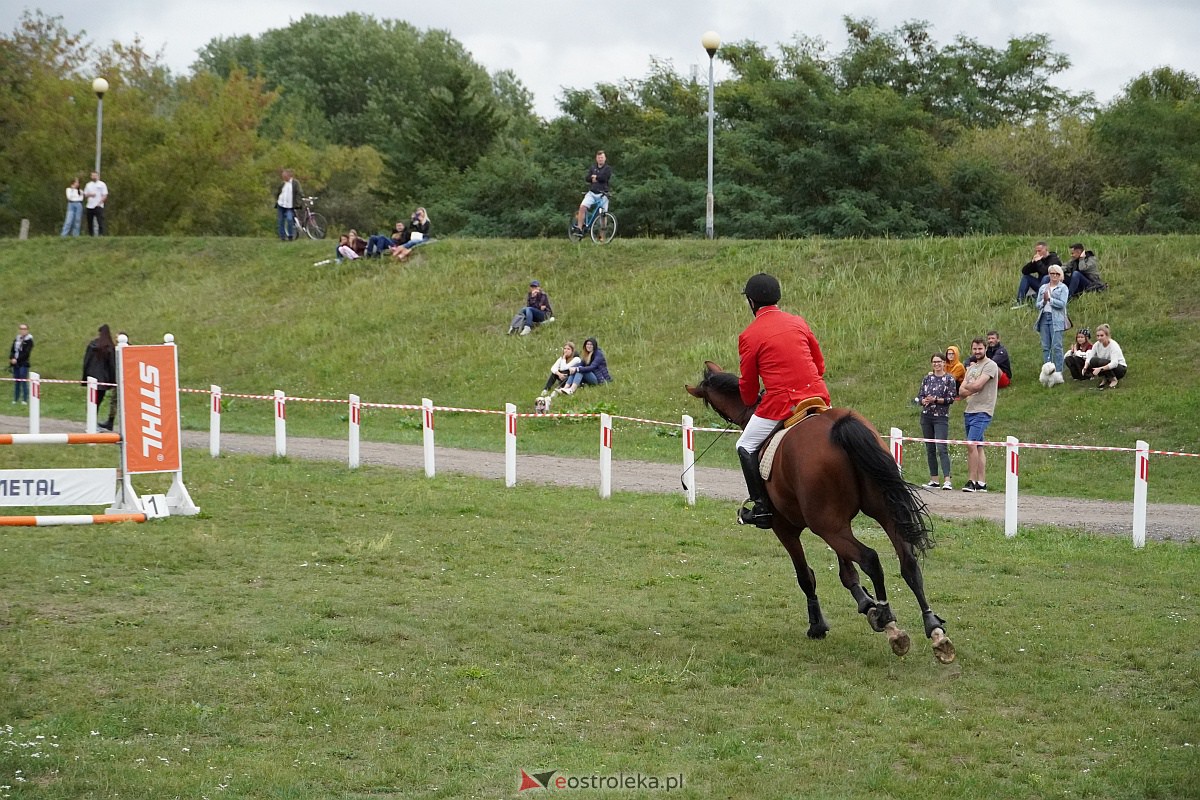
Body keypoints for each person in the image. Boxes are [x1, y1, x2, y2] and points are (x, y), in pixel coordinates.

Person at [734, 273, 830, 528]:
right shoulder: (798, 322)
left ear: (752, 302)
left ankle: (762, 508)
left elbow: (748, 386)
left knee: (744, 445)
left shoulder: (750, 335)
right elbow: (819, 364)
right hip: (817, 396)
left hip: (781, 404)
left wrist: (750, 399)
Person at [957, 337, 999, 493]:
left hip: (983, 410)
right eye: (974, 349)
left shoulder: (991, 366)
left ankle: (971, 481)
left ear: (985, 348)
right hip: (970, 409)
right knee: (979, 447)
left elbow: (978, 385)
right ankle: (982, 482)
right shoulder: (971, 368)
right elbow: (961, 391)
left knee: (971, 444)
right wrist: (971, 388)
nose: (977, 351)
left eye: (980, 348)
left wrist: (970, 387)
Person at [916, 352, 957, 491]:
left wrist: (936, 400)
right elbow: (919, 396)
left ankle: (947, 479)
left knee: (941, 447)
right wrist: (924, 400)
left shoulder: (949, 379)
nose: (936, 364)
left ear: (944, 363)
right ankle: (934, 479)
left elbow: (951, 398)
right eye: (934, 362)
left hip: (941, 417)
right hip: (926, 416)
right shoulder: (927, 378)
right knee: (930, 448)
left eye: (939, 362)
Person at [1034, 264, 1070, 385]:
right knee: (1045, 347)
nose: (1054, 276)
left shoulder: (1063, 288)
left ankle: (1058, 372)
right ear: (1049, 274)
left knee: (1057, 346)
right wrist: (1044, 301)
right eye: (1052, 273)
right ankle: (1047, 372)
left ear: (1061, 276)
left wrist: (1050, 300)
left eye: (1057, 274)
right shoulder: (1043, 287)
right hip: (1044, 317)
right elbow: (1037, 305)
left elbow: (1062, 304)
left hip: (1057, 319)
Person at [82, 324, 117, 430]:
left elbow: (86, 361)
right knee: (98, 401)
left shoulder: (92, 345)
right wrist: (113, 379)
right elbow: (112, 365)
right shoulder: (109, 347)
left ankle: (91, 422)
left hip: (91, 377)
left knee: (92, 401)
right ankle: (92, 424)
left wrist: (85, 377)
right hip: (103, 380)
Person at [1012, 241, 1061, 308]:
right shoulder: (1039, 260)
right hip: (1040, 285)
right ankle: (1020, 301)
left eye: (1039, 251)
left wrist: (1038, 262)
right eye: (1036, 251)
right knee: (1026, 277)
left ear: (1046, 250)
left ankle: (1037, 300)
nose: (1038, 253)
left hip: (1051, 286)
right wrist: (1032, 263)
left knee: (1046, 277)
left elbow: (1046, 272)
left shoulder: (1054, 259)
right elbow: (1024, 271)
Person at [572, 150, 612, 234]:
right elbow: (587, 178)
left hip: (603, 194)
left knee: (603, 214)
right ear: (596, 159)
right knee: (582, 207)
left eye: (602, 158)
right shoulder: (593, 168)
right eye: (599, 158)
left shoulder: (607, 168)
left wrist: (596, 177)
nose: (600, 159)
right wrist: (593, 178)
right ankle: (579, 228)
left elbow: (605, 178)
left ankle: (602, 236)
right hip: (592, 193)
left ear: (605, 159)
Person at [1084, 323, 1128, 390]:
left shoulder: (1113, 345)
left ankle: (1113, 379)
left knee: (1102, 362)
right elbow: (1090, 356)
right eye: (1098, 336)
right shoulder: (1096, 345)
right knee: (1093, 360)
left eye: (1102, 335)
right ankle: (1105, 378)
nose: (1099, 338)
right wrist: (1085, 367)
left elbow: (1114, 363)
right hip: (1106, 365)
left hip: (1119, 369)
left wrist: (1100, 369)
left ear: (1107, 336)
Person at [275, 169, 302, 242]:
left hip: (290, 206)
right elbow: (278, 192)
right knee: (281, 221)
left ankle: (290, 236)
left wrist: (297, 203)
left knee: (290, 220)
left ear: (289, 176)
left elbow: (299, 193)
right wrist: (277, 200)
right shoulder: (282, 184)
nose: (283, 177)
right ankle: (282, 237)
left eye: (285, 176)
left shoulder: (295, 183)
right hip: (281, 204)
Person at [9, 323, 33, 404]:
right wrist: (12, 358)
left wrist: (17, 359)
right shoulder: (17, 339)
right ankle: (15, 399)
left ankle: (25, 399)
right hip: (15, 363)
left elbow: (26, 353)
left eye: (24, 329)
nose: (22, 330)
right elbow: (12, 350)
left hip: (23, 363)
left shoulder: (29, 340)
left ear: (27, 330)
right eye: (21, 329)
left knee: (23, 381)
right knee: (17, 381)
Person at [83, 171, 108, 236]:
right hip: (89, 206)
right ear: (91, 176)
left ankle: (101, 234)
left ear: (98, 176)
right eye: (93, 175)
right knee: (89, 221)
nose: (94, 177)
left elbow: (105, 195)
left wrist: (100, 202)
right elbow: (85, 194)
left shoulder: (102, 184)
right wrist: (90, 195)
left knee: (100, 221)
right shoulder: (88, 185)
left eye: (95, 175)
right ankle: (91, 234)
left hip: (98, 205)